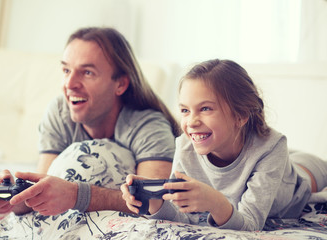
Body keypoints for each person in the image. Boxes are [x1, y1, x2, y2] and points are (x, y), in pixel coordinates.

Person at [0, 27, 180, 216]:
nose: (69, 84)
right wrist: (11, 199)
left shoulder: (149, 127)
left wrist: (76, 195)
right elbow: (39, 193)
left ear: (120, 84)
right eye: (66, 70)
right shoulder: (60, 111)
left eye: (87, 72)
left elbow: (153, 203)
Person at [121, 59, 327, 231]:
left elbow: (251, 224)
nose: (191, 122)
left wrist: (215, 202)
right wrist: (154, 203)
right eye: (185, 110)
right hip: (252, 151)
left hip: (302, 173)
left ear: (241, 115)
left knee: (303, 166)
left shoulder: (273, 147)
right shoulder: (185, 146)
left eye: (205, 108)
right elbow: (185, 216)